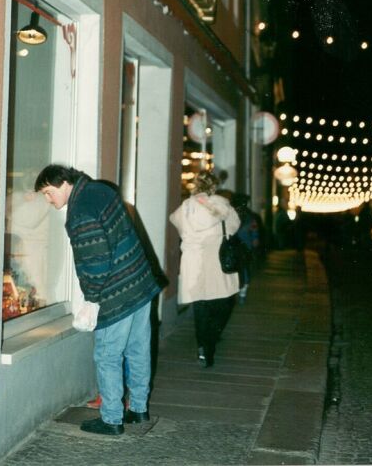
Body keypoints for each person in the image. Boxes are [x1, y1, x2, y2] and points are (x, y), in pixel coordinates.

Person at [34, 164, 160, 437]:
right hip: (140, 281)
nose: (48, 199)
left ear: (63, 182)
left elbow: (95, 260)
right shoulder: (101, 190)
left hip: (116, 292)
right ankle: (138, 409)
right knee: (138, 348)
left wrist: (91, 299)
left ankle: (112, 418)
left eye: (48, 192)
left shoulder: (79, 212)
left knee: (107, 354)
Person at [169, 170, 240, 367]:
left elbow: (178, 224)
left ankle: (203, 347)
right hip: (216, 259)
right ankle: (212, 337)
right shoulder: (222, 204)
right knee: (223, 302)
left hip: (194, 261)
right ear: (214, 186)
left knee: (201, 307)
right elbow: (234, 226)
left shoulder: (186, 207)